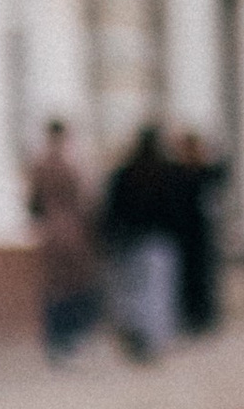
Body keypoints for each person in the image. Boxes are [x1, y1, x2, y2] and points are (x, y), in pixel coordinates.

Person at [25, 121, 104, 361]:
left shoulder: (41, 165)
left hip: (50, 229)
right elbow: (85, 200)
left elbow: (33, 202)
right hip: (71, 229)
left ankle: (56, 336)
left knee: (55, 285)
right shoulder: (71, 166)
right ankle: (68, 333)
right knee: (71, 283)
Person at [102, 125, 182, 361]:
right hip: (159, 241)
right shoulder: (167, 174)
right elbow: (176, 210)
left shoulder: (126, 174)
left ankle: (138, 335)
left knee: (134, 291)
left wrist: (113, 236)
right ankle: (152, 341)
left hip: (130, 242)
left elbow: (113, 210)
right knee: (157, 292)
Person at [168, 129, 230, 333]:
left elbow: (222, 174)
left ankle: (205, 317)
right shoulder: (178, 172)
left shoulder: (205, 171)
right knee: (186, 278)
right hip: (184, 235)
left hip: (201, 234)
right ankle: (190, 317)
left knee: (204, 277)